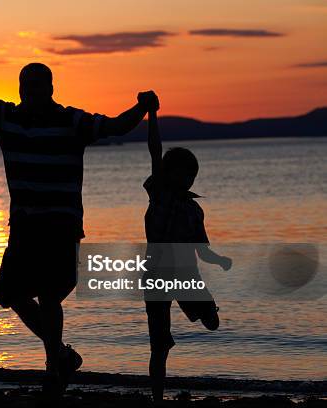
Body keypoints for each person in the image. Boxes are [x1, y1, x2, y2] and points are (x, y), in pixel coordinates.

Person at [0, 42, 159, 395]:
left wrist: (142, 108)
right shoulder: (7, 117)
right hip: (25, 228)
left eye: (38, 86)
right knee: (9, 295)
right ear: (20, 89)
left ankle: (55, 370)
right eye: (26, 87)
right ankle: (60, 356)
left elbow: (117, 127)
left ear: (50, 89)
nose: (32, 93)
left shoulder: (73, 121)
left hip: (61, 226)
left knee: (51, 297)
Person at [143, 105, 233, 402]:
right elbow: (154, 151)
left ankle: (203, 310)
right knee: (160, 345)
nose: (188, 180)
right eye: (183, 174)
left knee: (211, 323)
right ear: (168, 175)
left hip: (185, 276)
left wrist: (219, 260)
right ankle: (157, 398)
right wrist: (152, 115)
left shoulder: (195, 210)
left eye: (192, 175)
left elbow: (202, 250)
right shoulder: (160, 193)